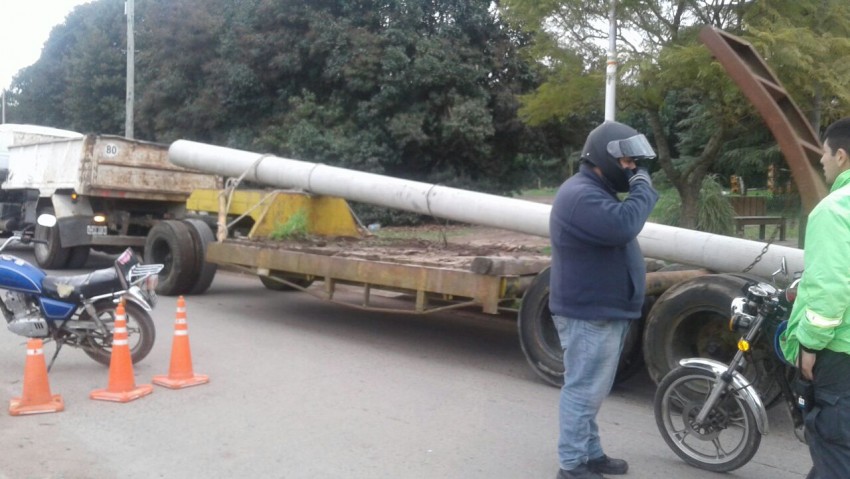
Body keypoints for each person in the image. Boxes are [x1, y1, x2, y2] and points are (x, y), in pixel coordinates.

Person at [549, 121, 659, 479]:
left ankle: (590, 453)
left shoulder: (594, 191)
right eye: (627, 161)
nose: (631, 168)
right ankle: (571, 465)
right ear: (605, 157)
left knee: (592, 390)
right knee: (583, 390)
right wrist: (643, 184)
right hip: (588, 313)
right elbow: (624, 225)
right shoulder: (580, 194)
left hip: (600, 310)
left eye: (633, 163)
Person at [781, 117, 850, 478]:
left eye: (823, 154)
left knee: (834, 449)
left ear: (840, 156)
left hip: (839, 354)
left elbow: (831, 289)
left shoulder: (834, 210)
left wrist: (809, 344)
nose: (820, 161)